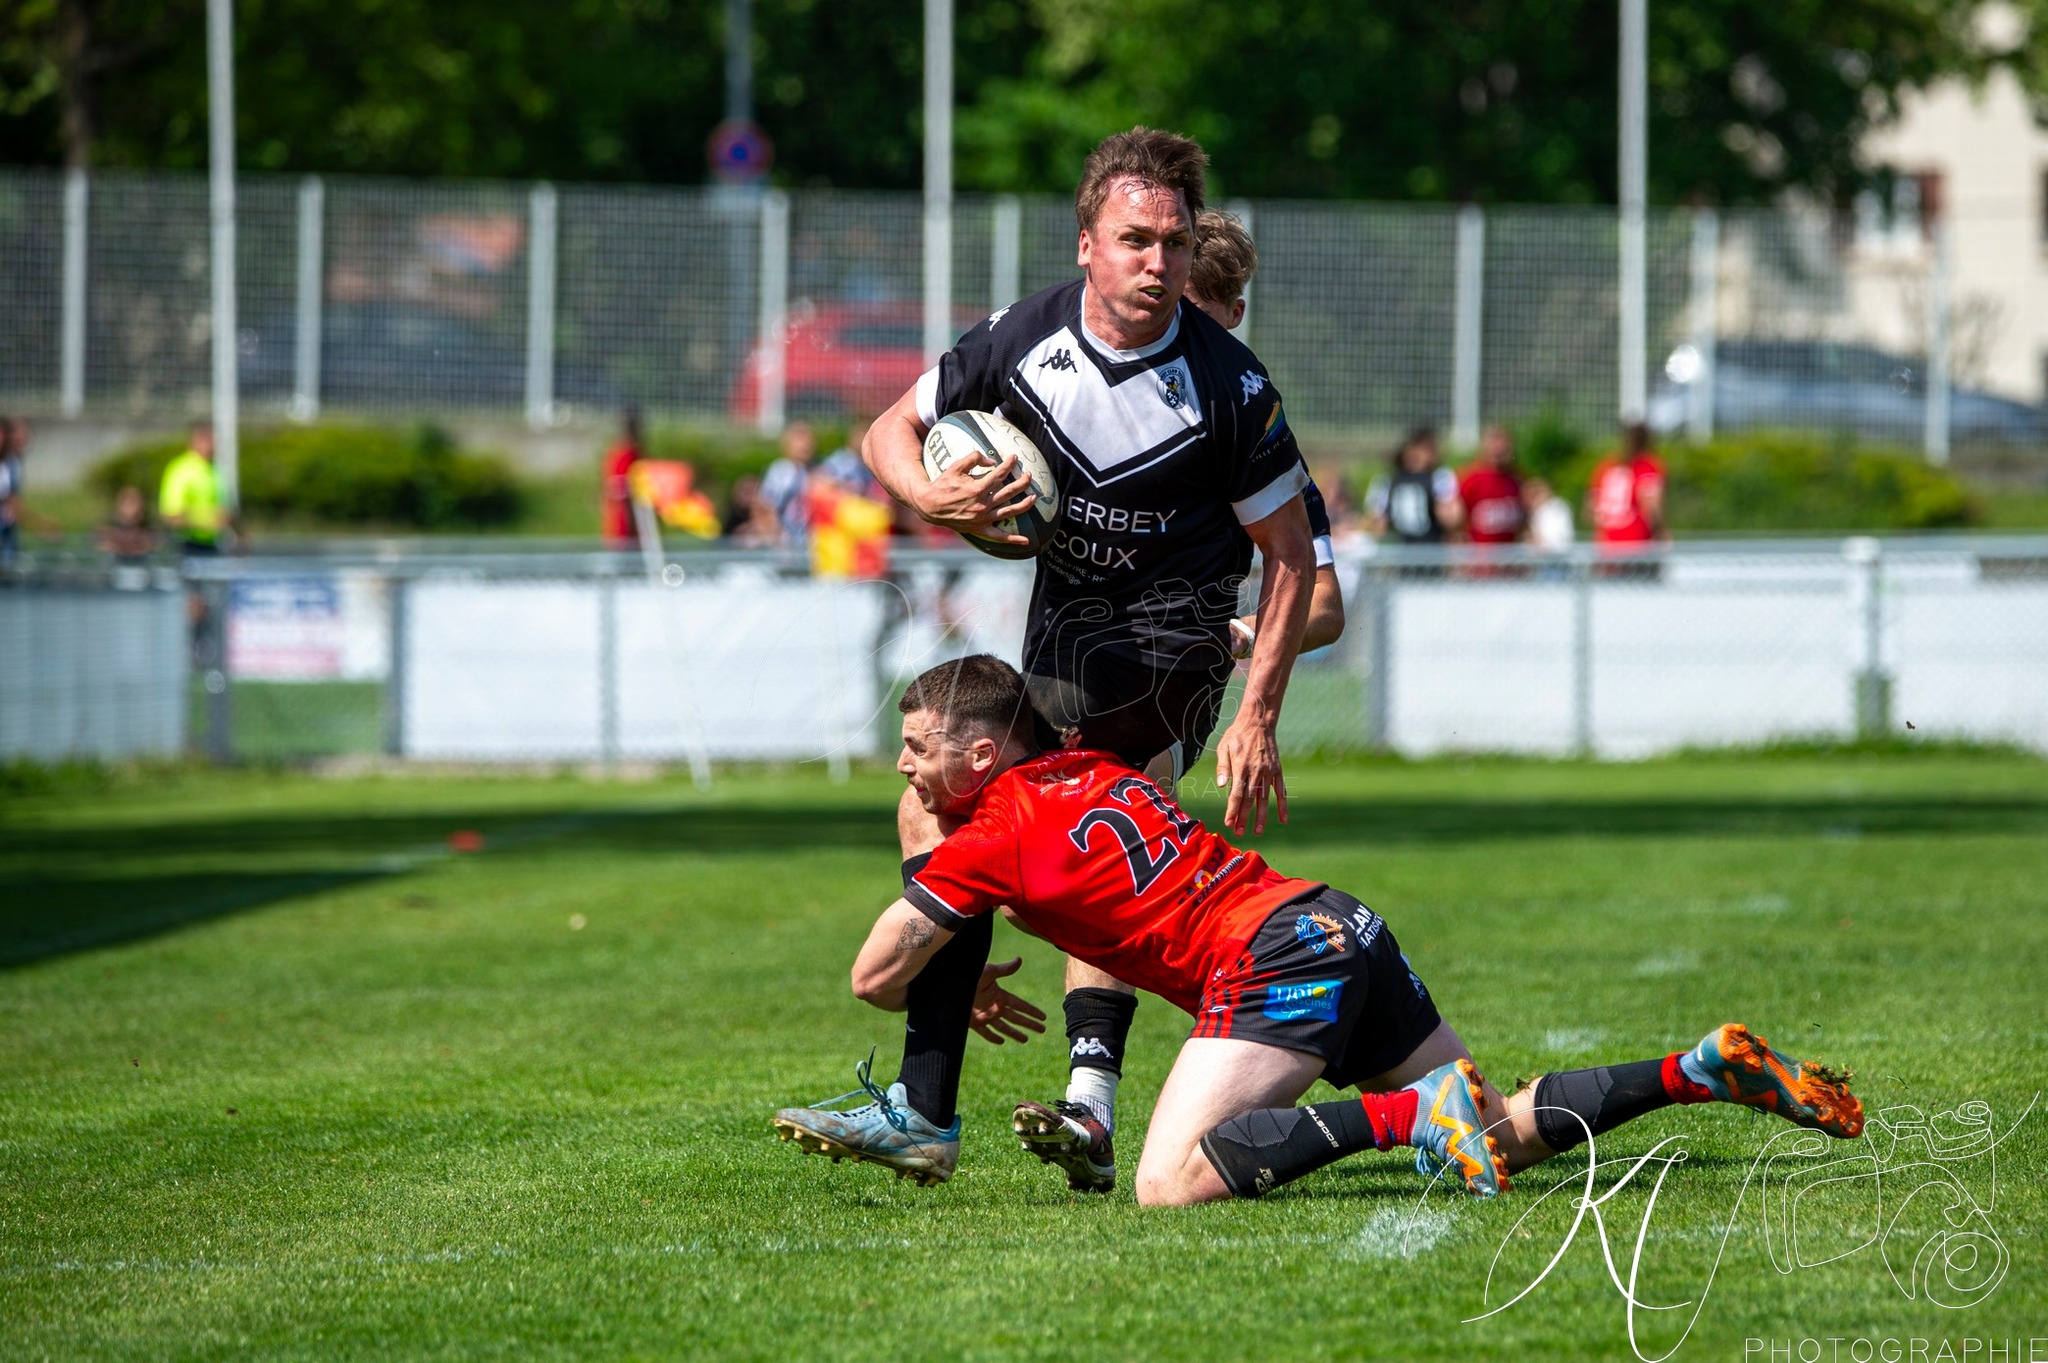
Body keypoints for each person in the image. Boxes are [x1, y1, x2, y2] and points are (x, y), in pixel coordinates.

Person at [772, 656, 1867, 1200]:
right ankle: (1698, 1068)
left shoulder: (991, 834)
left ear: (979, 758)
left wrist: (931, 916)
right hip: (1337, 922)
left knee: (1170, 1181)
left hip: (1272, 958)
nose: (902, 765)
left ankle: (1400, 1116)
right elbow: (1098, 918)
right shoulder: (1088, 770)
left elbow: (872, 975)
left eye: (916, 746)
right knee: (1494, 1134)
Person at [855, 127, 1318, 1191]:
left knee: (1054, 831)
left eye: (1172, 242)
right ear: (1085, 245)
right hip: (1055, 638)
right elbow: (888, 429)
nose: (1156, 264)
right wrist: (930, 496)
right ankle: (927, 1112)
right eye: (1134, 240)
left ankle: (1084, 1096)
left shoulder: (1228, 387)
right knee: (931, 781)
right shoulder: (1021, 340)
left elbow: (1292, 562)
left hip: (1168, 652)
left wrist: (1254, 716)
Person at [1182, 209, 1345, 658]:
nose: (1175, 332)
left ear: (1235, 315)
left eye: (1194, 315)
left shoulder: (1258, 430)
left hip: (1175, 692)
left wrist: (1239, 634)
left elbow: (1325, 608)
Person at [1364, 426, 1463, 544]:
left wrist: (1446, 514)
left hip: (1431, 546)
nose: (1419, 455)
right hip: (1400, 548)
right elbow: (1374, 518)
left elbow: (1453, 517)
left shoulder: (1440, 477)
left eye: (1426, 449)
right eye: (1417, 448)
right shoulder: (1388, 481)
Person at [1588, 421, 1666, 550]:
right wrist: (1661, 534)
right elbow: (1651, 507)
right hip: (1636, 543)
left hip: (1605, 544)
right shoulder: (1647, 466)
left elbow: (1591, 508)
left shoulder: (1605, 466)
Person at [159, 422, 230, 555]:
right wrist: (208, 521)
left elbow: (224, 512)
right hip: (187, 546)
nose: (213, 445)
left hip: (212, 544)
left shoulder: (215, 470)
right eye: (208, 440)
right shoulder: (180, 470)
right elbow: (172, 515)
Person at [1457, 425, 1526, 546]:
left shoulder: (1516, 479)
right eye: (1494, 442)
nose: (1499, 448)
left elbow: (1523, 522)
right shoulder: (1471, 479)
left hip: (1510, 558)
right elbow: (1457, 523)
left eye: (1503, 443)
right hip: (1480, 559)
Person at [759, 421, 818, 548]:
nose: (805, 445)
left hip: (811, 545)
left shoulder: (817, 472)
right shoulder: (779, 472)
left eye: (808, 440)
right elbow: (765, 508)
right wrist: (774, 540)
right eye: (799, 440)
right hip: (785, 544)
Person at [601, 409, 644, 546]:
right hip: (623, 513)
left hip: (621, 511)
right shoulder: (627, 452)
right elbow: (620, 485)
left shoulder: (615, 451)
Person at [98, 486, 158, 565]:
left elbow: (156, 546)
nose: (130, 507)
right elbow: (100, 547)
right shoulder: (107, 530)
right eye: (127, 502)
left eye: (133, 502)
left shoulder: (150, 530)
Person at [1525, 476, 1574, 554]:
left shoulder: (1556, 507)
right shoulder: (1538, 512)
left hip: (1558, 555)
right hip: (1546, 557)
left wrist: (1541, 543)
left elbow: (1559, 537)